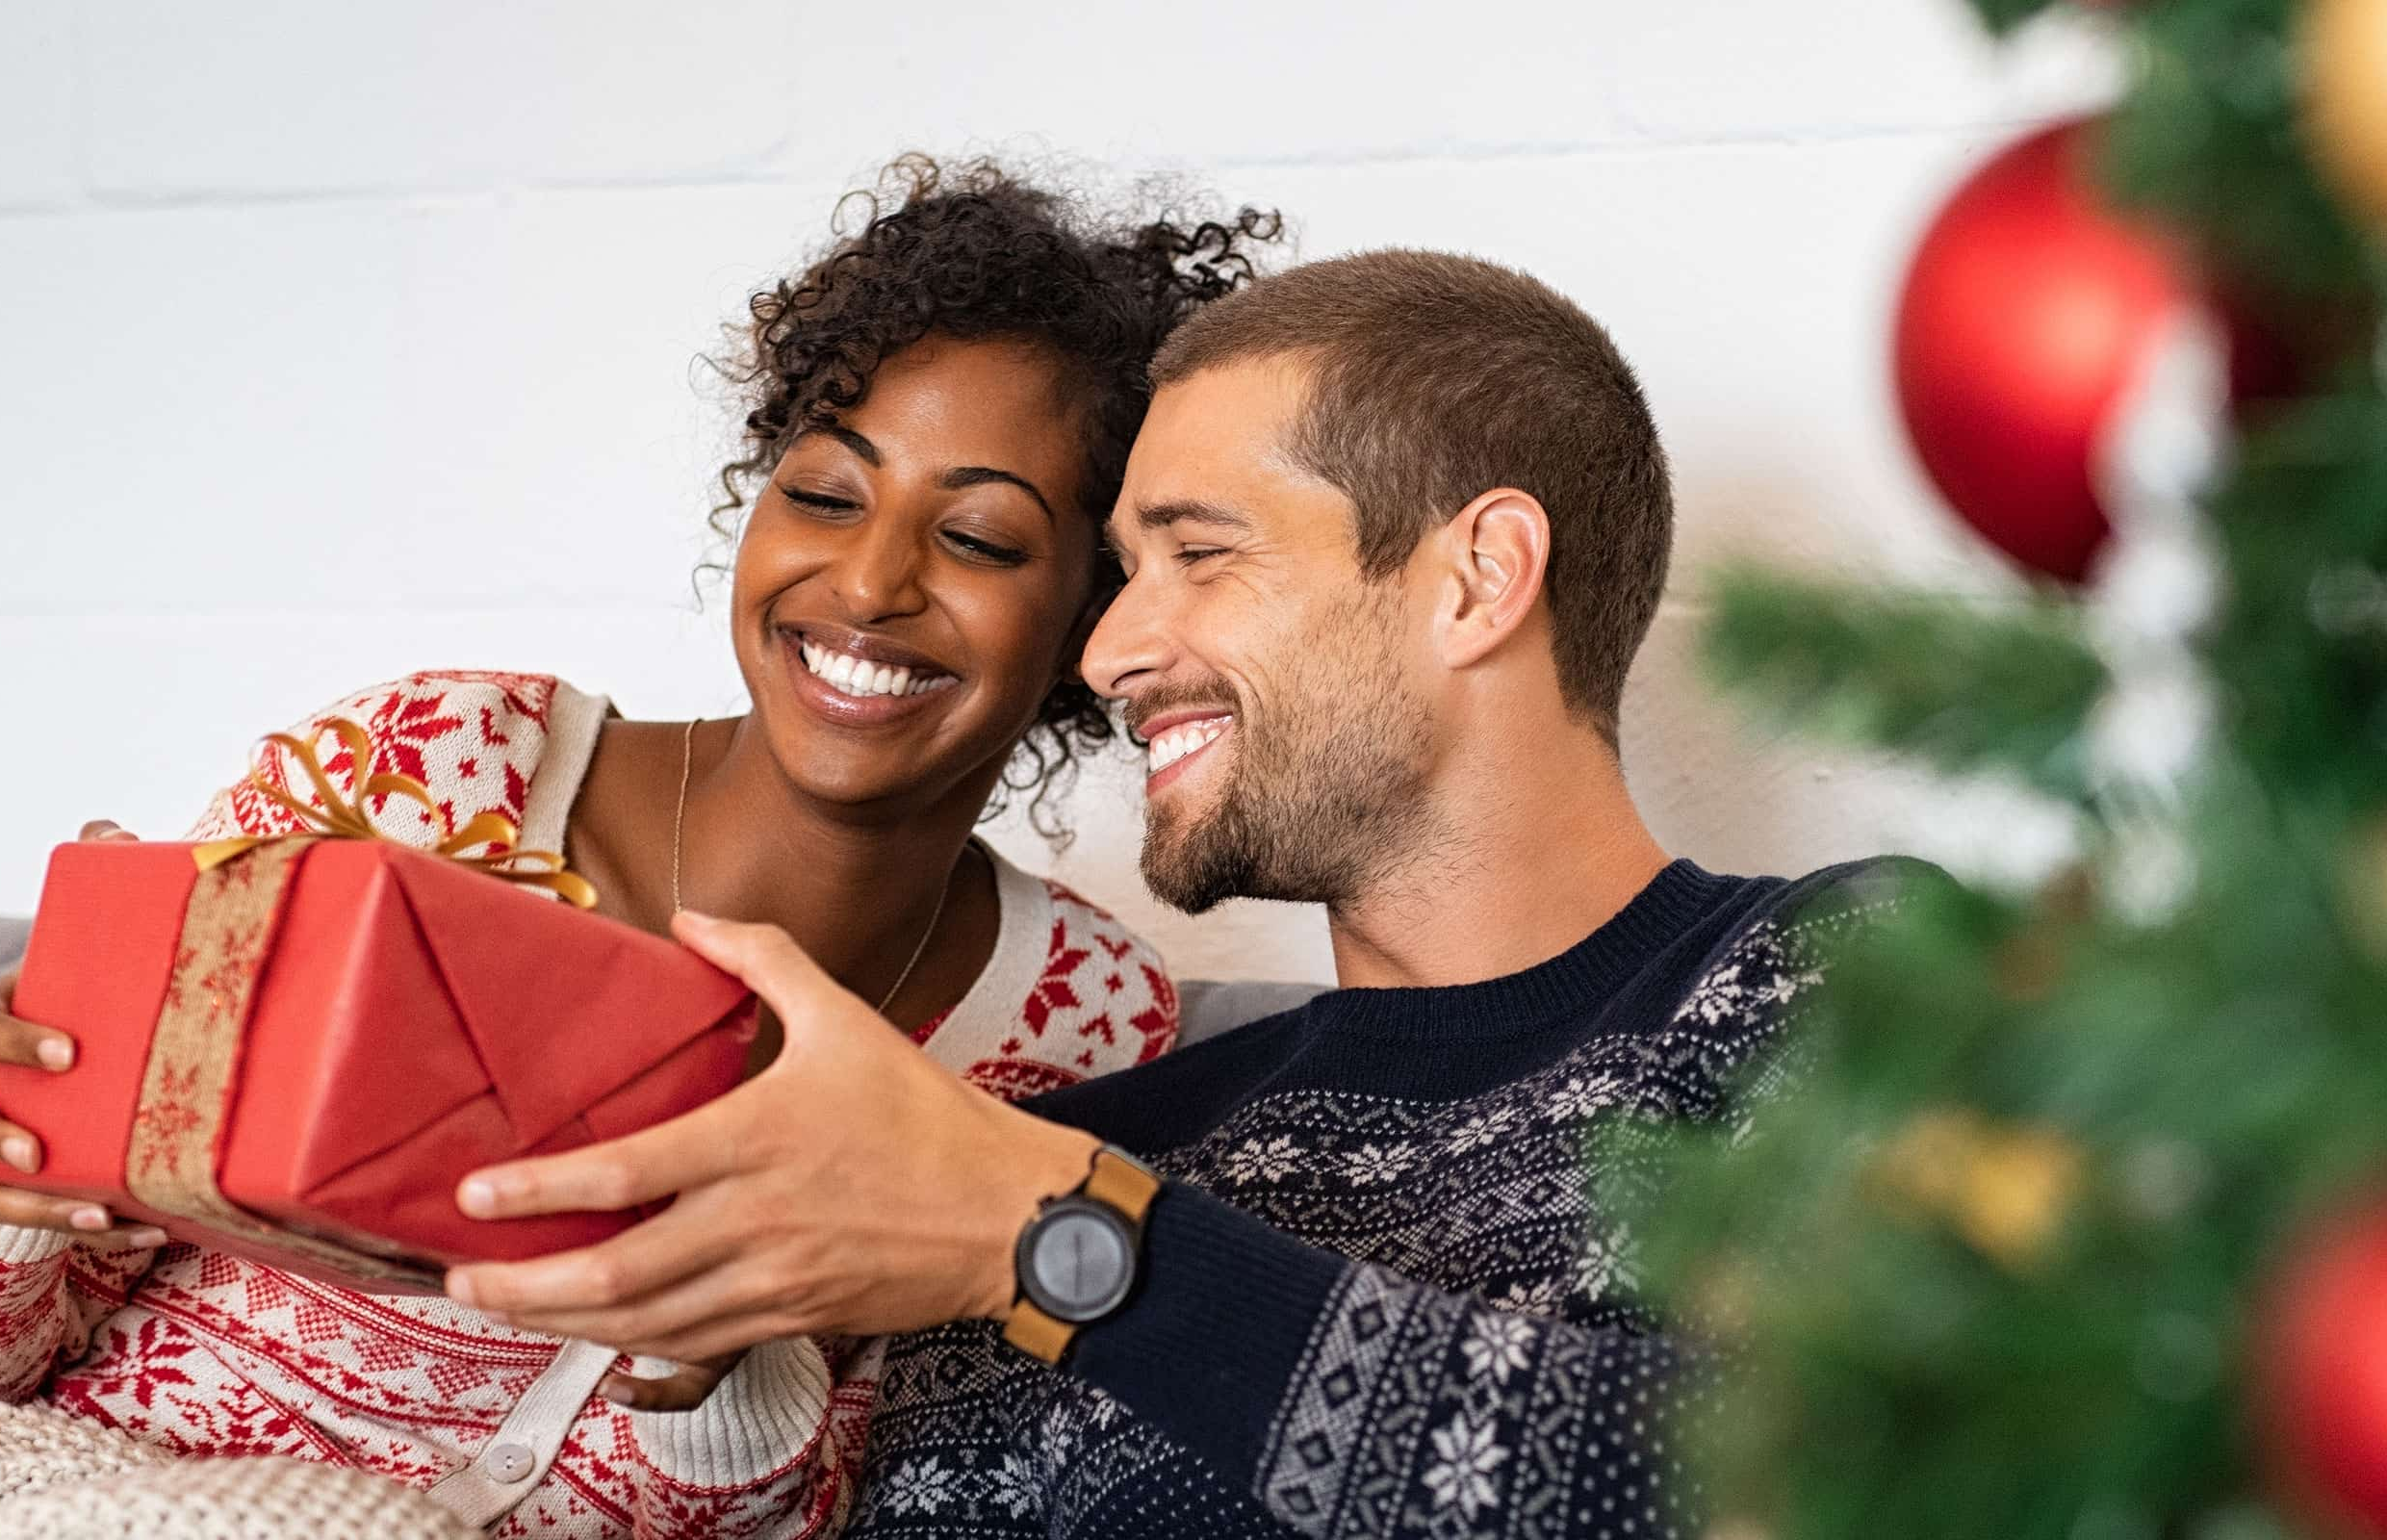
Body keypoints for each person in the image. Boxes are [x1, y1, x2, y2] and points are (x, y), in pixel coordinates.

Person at [0, 157, 1284, 1540]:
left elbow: (828, 1510)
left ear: (1100, 611)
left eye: (978, 540)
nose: (868, 580)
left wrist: (713, 1352)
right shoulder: (420, 774)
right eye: (824, 495)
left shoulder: (1081, 1022)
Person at [433, 249, 1912, 1539]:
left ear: (1479, 578)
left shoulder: (1847, 981)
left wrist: (1061, 1247)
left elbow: (1860, 1488)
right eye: (1123, 571)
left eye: (1201, 555)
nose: (1109, 652)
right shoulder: (1096, 1133)